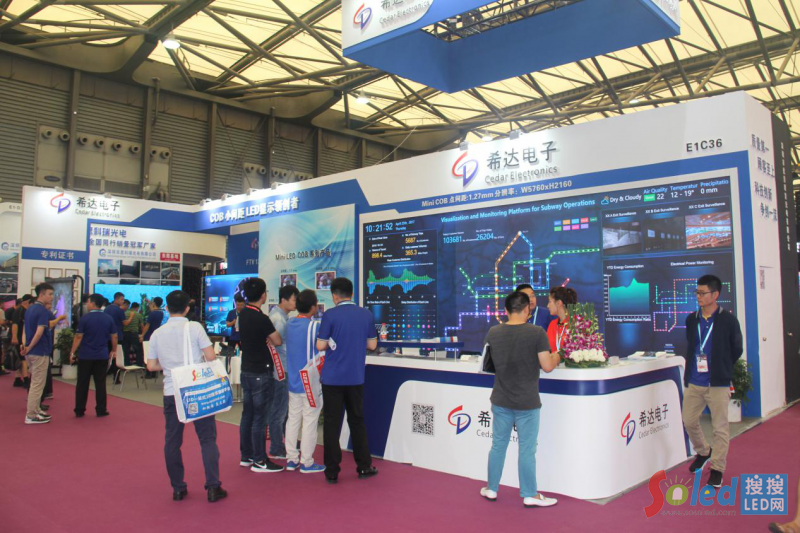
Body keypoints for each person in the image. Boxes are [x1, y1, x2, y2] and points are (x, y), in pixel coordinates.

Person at [480, 291, 560, 507]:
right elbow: (547, 366)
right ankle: (529, 493)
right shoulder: (536, 333)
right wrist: (558, 355)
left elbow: (488, 363)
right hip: (527, 401)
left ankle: (491, 488)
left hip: (501, 399)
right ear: (527, 309)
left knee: (498, 445)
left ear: (506, 310)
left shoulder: (494, 332)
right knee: (526, 449)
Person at [146, 290, 227, 503]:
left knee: (172, 441)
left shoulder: (157, 333)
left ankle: (178, 488)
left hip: (171, 391)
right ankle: (213, 487)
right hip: (196, 389)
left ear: (167, 308)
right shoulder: (194, 327)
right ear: (187, 308)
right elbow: (210, 356)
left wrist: (171, 366)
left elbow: (151, 365)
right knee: (207, 439)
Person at [682, 274, 742, 489]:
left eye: (702, 293)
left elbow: (736, 348)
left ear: (715, 294)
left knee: (720, 428)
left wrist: (722, 367)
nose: (698, 296)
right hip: (695, 381)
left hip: (717, 383)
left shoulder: (728, 320)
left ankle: (717, 468)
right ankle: (703, 452)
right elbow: (692, 345)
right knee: (688, 421)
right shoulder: (692, 319)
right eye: (697, 292)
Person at [315, 277, 378, 484]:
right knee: (357, 420)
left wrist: (334, 341)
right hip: (355, 377)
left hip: (332, 378)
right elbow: (372, 345)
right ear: (351, 293)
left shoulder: (330, 315)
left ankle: (332, 470)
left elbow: (320, 345)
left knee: (331, 423)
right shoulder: (366, 314)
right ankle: (364, 466)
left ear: (334, 296)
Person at [238, 277, 283, 473]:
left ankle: (246, 455)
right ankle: (260, 460)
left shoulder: (243, 314)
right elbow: (277, 340)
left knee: (247, 415)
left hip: (246, 370)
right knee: (260, 417)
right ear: (263, 295)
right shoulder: (261, 318)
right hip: (260, 373)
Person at [284, 289, 325, 473]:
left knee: (293, 419)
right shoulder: (315, 326)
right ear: (313, 307)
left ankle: (291, 459)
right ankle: (307, 462)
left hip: (293, 380)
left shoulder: (289, 323)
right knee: (309, 421)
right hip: (310, 381)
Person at [21, 283, 66, 424]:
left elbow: (25, 330)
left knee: (36, 382)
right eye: (50, 294)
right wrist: (29, 347)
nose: (52, 297)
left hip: (32, 351)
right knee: (37, 384)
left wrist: (25, 346)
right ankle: (31, 415)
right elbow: (39, 332)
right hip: (39, 351)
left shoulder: (30, 309)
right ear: (41, 294)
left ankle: (36, 410)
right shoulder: (41, 311)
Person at [69, 293, 117, 417]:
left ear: (93, 303)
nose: (87, 304)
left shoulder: (85, 318)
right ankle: (101, 409)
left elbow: (78, 336)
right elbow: (114, 336)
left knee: (82, 383)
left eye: (88, 302)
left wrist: (72, 352)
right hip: (102, 355)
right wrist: (114, 350)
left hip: (85, 355)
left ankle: (79, 409)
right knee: (100, 383)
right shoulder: (108, 318)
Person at [267, 284, 299, 460]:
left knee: (283, 409)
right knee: (279, 410)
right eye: (294, 299)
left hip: (283, 367)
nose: (296, 303)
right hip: (280, 369)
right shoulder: (278, 319)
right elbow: (276, 342)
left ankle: (286, 443)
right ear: (284, 299)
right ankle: (276, 447)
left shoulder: (281, 316)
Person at [546, 286, 577, 354]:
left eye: (549, 301)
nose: (548, 305)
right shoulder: (552, 324)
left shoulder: (578, 324)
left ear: (558, 303)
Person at [11, 295, 33, 388]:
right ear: (28, 301)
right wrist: (14, 337)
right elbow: (15, 324)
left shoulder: (22, 310)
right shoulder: (20, 310)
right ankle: (26, 379)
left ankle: (17, 379)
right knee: (23, 358)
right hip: (19, 337)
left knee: (19, 358)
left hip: (20, 337)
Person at [224, 295, 245, 368]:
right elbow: (227, 325)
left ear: (244, 304)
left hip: (243, 338)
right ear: (235, 304)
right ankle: (232, 369)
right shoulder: (231, 312)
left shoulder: (246, 313)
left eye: (241, 305)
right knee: (231, 356)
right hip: (233, 338)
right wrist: (233, 322)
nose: (239, 306)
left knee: (243, 356)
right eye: (238, 305)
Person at [123, 302, 145, 367]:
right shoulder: (138, 315)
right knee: (138, 349)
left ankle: (127, 363)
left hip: (125, 333)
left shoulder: (124, 313)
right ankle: (139, 364)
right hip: (134, 333)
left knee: (126, 349)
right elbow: (142, 326)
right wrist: (142, 335)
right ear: (137, 308)